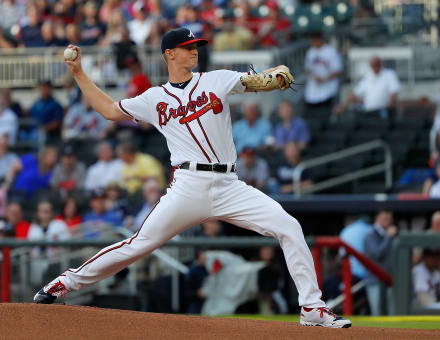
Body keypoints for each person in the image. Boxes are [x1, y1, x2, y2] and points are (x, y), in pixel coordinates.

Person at [34, 28, 351, 328]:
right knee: (138, 245)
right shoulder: (153, 98)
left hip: (229, 186)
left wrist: (271, 77)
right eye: (187, 48)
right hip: (187, 186)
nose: (194, 51)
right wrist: (78, 74)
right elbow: (108, 110)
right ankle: (64, 282)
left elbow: (254, 82)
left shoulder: (217, 80)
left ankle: (312, 307)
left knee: (289, 227)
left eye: (196, 47)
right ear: (169, 54)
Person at [334, 56, 400, 119]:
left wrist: (389, 105)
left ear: (381, 64)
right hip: (369, 111)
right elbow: (355, 94)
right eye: (373, 65)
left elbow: (394, 92)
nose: (375, 67)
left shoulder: (389, 74)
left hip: (384, 112)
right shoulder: (368, 76)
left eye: (377, 64)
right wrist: (343, 106)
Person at [363, 210, 397, 316]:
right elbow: (377, 254)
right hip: (375, 281)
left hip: (390, 280)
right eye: (384, 218)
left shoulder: (393, 235)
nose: (387, 221)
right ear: (377, 219)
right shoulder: (370, 235)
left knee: (392, 315)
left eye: (389, 219)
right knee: (377, 314)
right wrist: (388, 237)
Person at [304, 32, 342, 112]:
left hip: (328, 89)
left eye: (315, 39)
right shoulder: (310, 52)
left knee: (326, 113)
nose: (314, 42)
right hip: (313, 90)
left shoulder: (331, 51)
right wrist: (314, 77)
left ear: (320, 39)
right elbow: (307, 69)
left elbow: (338, 70)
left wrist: (324, 79)